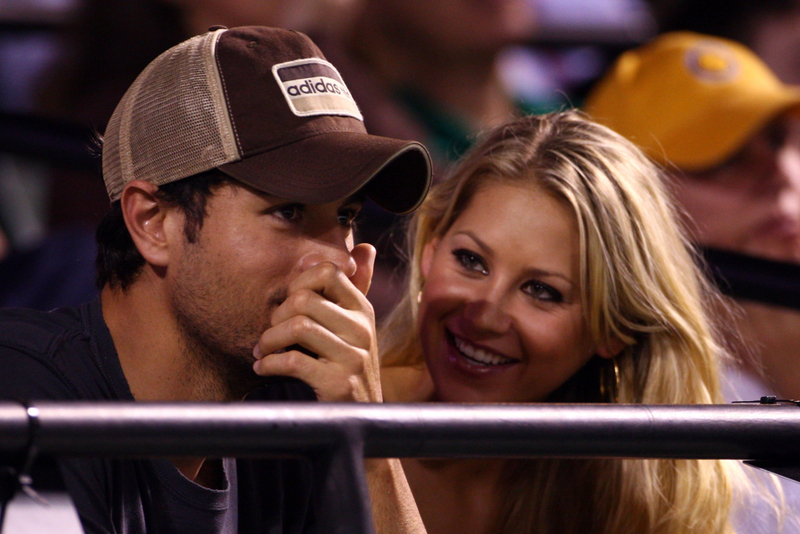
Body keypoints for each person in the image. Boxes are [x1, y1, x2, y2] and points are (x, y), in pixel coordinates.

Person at [0, 26, 432, 534]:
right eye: (289, 212)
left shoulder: (300, 404)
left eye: (345, 217)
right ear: (152, 222)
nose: (334, 264)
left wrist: (368, 446)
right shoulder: (25, 397)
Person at [378, 110, 748, 534]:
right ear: (430, 249)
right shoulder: (324, 419)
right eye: (471, 261)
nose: (486, 314)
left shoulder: (634, 500)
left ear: (612, 329)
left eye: (541, 291)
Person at [584, 32, 800, 533]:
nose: (776, 174)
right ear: (630, 203)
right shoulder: (637, 417)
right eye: (723, 159)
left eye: (777, 139)